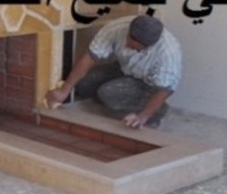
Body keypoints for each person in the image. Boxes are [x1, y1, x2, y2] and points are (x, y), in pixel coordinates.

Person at [46, 14, 181, 129]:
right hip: (123, 68)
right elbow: (90, 57)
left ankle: (157, 111)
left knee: (108, 92)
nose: (128, 46)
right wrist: (65, 90)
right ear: (128, 33)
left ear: (148, 46)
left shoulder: (168, 53)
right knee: (85, 84)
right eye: (129, 43)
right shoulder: (116, 28)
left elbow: (164, 90)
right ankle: (117, 101)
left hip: (148, 82)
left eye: (137, 49)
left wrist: (143, 116)